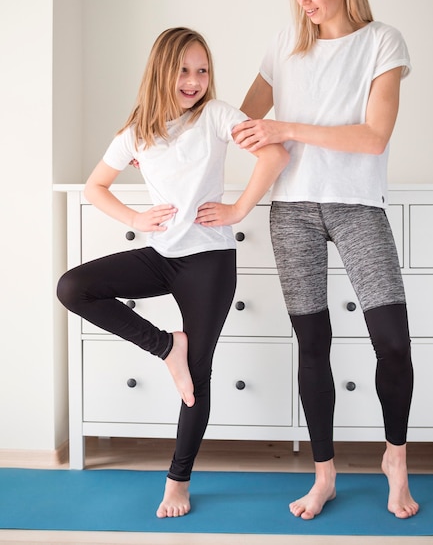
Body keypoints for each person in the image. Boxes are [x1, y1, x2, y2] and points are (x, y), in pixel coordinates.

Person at [57, 27, 289, 519]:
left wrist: (238, 209)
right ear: (162, 70)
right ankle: (168, 346)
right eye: (184, 69)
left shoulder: (219, 116)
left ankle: (177, 482)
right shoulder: (138, 130)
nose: (194, 80)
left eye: (202, 70)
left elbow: (274, 155)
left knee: (195, 379)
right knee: (73, 286)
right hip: (161, 254)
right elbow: (95, 187)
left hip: (208, 262)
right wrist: (135, 219)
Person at [232, 0, 419, 520]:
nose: (305, 0)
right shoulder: (285, 43)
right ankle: (324, 474)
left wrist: (289, 129)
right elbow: (242, 119)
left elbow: (373, 137)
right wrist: (162, 144)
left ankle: (396, 458)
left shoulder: (382, 43)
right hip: (291, 210)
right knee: (313, 343)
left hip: (357, 204)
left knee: (392, 341)